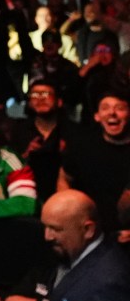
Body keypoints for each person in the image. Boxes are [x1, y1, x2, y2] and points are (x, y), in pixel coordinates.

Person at [63, 93, 130, 236]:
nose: (112, 113)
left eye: (120, 108)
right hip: (96, 233)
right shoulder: (82, 147)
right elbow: (64, 177)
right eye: (105, 108)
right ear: (97, 116)